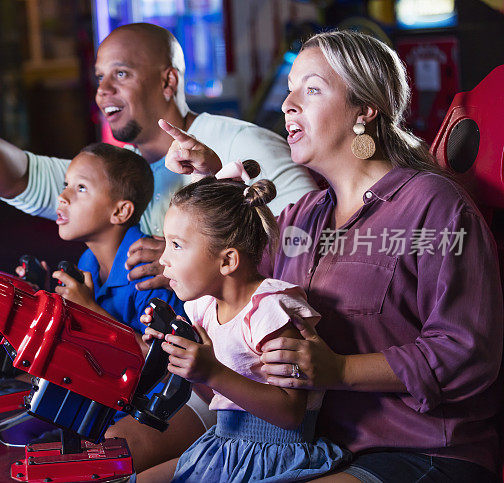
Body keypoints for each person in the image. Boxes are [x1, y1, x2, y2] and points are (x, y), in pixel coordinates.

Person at [158, 30, 503, 482]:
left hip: (422, 451)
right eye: (289, 90)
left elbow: (467, 352)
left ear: (364, 110)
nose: (288, 104)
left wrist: (340, 370)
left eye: (312, 89)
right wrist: (214, 173)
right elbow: (234, 276)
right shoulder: (303, 218)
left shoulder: (433, 204)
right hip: (319, 449)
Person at [0, 22, 318, 293]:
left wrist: (191, 261)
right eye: (100, 77)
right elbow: (18, 179)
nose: (102, 91)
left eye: (120, 74)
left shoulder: (241, 145)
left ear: (168, 80)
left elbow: (309, 249)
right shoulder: (121, 172)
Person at [134, 163, 348, 482]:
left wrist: (211, 372)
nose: (164, 258)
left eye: (176, 245)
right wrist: (174, 352)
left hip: (273, 454)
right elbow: (213, 387)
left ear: (227, 260)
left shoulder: (271, 311)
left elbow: (291, 414)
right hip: (223, 445)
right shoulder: (203, 307)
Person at [42, 142, 186, 333]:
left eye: (81, 188)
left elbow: (162, 359)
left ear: (120, 211)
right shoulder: (88, 260)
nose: (62, 196)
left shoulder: (148, 273)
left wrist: (90, 311)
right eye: (66, 185)